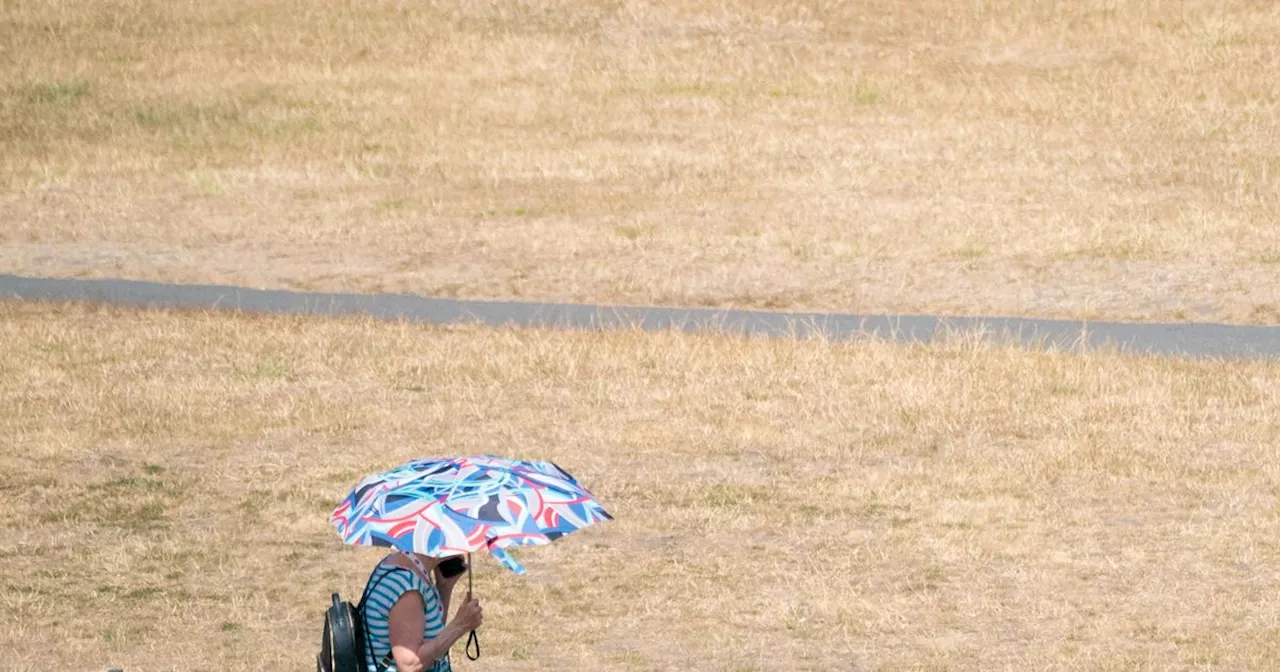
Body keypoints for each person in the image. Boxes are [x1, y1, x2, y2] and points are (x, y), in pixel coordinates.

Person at [360, 550, 484, 672]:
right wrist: (459, 626)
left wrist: (444, 588)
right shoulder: (407, 587)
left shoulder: (409, 567)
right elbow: (410, 664)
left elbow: (427, 634)